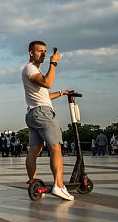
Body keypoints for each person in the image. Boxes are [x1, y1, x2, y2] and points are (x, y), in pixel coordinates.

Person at [22, 40, 74, 201]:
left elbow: (45, 95)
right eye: (40, 51)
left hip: (33, 113)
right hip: (42, 113)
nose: (43, 54)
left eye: (45, 51)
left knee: (34, 150)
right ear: (31, 52)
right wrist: (54, 63)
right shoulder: (30, 68)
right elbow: (48, 83)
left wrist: (62, 92)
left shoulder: (34, 70)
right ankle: (59, 186)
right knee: (56, 148)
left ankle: (33, 182)